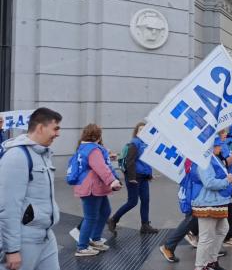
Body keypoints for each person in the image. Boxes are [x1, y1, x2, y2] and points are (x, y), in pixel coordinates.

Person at [0, 107, 62, 270]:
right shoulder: (16, 157)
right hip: (25, 240)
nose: (58, 134)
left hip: (47, 237)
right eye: (55, 128)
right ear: (41, 127)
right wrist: (12, 249)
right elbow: (8, 207)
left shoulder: (44, 154)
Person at [72, 124, 122, 256]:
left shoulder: (84, 148)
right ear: (98, 136)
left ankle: (95, 239)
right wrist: (112, 181)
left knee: (105, 211)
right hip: (92, 188)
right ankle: (82, 247)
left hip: (93, 187)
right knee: (90, 217)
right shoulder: (93, 150)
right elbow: (101, 167)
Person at [108, 122, 158, 234]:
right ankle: (113, 220)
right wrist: (131, 178)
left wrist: (149, 175)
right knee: (132, 202)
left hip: (143, 177)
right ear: (136, 132)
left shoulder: (146, 144)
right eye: (140, 130)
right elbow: (130, 161)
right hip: (134, 177)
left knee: (145, 200)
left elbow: (146, 162)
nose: (142, 132)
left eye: (144, 130)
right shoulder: (134, 143)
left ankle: (145, 225)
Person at [192, 139, 232, 270]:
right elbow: (209, 182)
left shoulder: (212, 159)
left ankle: (211, 260)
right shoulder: (204, 161)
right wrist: (226, 181)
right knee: (206, 237)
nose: (220, 149)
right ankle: (200, 266)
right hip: (207, 202)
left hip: (216, 202)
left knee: (222, 229)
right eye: (218, 146)